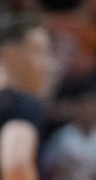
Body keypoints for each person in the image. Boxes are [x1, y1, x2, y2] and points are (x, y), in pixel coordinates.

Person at [0, 13, 58, 180]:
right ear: (9, 57)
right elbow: (16, 163)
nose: (51, 65)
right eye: (42, 53)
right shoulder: (23, 104)